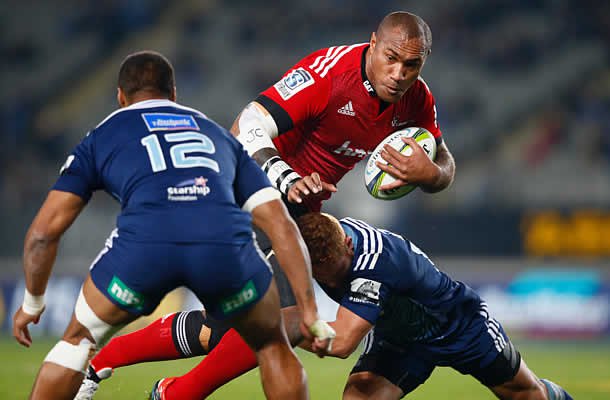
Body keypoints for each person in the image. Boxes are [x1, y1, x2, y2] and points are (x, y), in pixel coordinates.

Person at [76, 11, 456, 400]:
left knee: (222, 328)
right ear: (373, 44)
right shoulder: (328, 75)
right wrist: (286, 178)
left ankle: (112, 364)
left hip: (298, 214)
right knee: (280, 317)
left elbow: (444, 162)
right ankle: (174, 393)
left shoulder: (416, 98)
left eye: (412, 65)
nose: (399, 74)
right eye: (391, 58)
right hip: (246, 195)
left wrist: (431, 174)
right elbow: (246, 125)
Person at [12, 50, 334, 400]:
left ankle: (97, 365)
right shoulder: (217, 134)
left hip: (145, 247)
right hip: (221, 244)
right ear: (174, 93)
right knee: (272, 344)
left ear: (120, 96)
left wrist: (32, 303)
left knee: (77, 341)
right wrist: (310, 313)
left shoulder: (103, 135)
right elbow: (282, 225)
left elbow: (44, 233)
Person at [295, 212, 573, 400]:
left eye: (335, 271)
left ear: (348, 245)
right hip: (398, 338)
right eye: (319, 274)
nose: (330, 281)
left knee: (526, 395)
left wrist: (279, 331)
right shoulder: (320, 239)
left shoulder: (374, 266)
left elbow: (342, 342)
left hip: (458, 324)